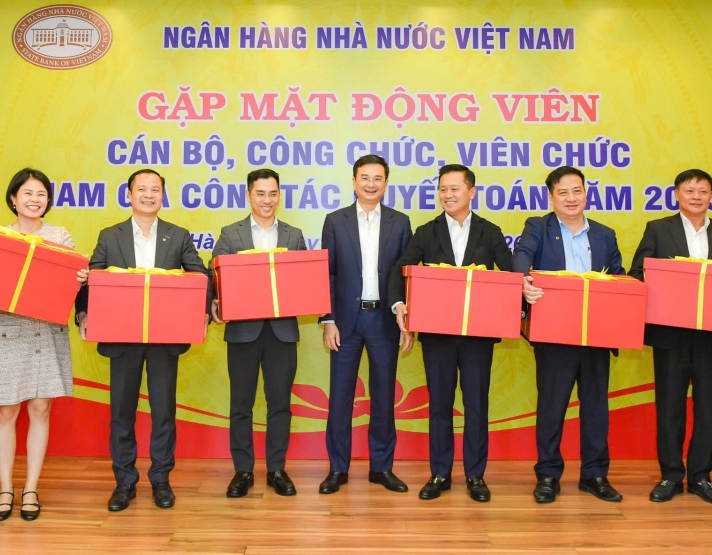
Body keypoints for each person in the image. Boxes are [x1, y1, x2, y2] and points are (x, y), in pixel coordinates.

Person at [73, 168, 213, 512]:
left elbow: (200, 276)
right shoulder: (111, 236)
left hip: (165, 337)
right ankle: (124, 482)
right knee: (122, 412)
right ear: (129, 195)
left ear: (162, 195)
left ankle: (161, 480)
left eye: (155, 190)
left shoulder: (178, 236)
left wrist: (203, 313)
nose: (149, 195)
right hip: (122, 335)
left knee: (164, 411)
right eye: (142, 189)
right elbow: (91, 279)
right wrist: (84, 313)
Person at [388, 164, 513, 503]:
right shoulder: (426, 232)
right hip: (438, 338)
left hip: (477, 338)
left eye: (455, 188)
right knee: (440, 406)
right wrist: (400, 304)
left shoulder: (490, 232)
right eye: (443, 189)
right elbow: (401, 269)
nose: (448, 194)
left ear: (471, 192)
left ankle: (475, 475)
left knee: (476, 406)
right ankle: (440, 473)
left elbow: (511, 275)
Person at [629, 168, 712, 506]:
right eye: (690, 190)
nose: (696, 197)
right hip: (672, 335)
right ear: (677, 194)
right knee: (670, 407)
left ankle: (701, 476)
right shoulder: (657, 229)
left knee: (708, 407)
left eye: (703, 191)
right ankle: (670, 474)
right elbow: (638, 273)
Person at [516, 165, 626, 505]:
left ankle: (595, 475)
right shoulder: (538, 227)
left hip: (596, 334)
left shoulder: (605, 234)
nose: (571, 198)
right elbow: (521, 256)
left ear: (586, 194)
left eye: (577, 191)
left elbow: (619, 276)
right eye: (562, 192)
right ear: (551, 197)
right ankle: (548, 474)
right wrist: (521, 280)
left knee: (596, 407)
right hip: (554, 334)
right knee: (552, 407)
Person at [0, 168, 76, 522]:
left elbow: (65, 288)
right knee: (6, 411)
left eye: (41, 194)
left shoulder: (59, 236)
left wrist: (77, 280)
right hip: (8, 332)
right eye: (28, 193)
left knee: (40, 408)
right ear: (13, 198)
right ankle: (6, 488)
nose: (35, 200)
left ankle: (31, 488)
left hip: (45, 334)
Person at [318, 154, 413, 495]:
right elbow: (327, 273)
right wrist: (328, 319)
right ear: (354, 181)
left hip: (384, 320)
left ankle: (381, 468)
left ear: (385, 183)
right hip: (345, 321)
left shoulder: (400, 222)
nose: (371, 184)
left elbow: (405, 273)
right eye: (365, 178)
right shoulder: (335, 220)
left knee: (384, 397)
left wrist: (407, 319)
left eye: (377, 178)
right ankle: (337, 469)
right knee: (340, 397)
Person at [211, 168, 308, 498]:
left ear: (279, 196)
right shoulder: (230, 234)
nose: (267, 200)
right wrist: (215, 302)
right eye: (261, 194)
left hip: (282, 332)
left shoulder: (294, 236)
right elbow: (215, 278)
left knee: (280, 403)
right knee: (241, 404)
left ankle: (277, 469)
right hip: (243, 332)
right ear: (249, 195)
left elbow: (304, 281)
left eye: (273, 194)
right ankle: (243, 470)